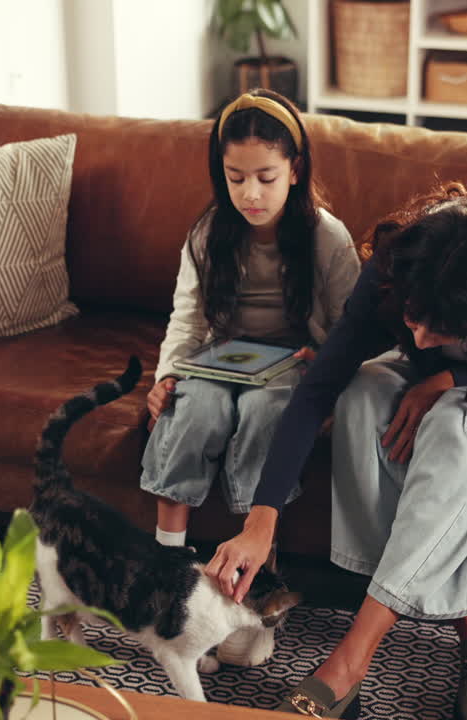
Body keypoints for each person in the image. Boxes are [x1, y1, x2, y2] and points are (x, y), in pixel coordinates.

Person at [206, 183, 467, 718]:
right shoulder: (397, 264)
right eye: (413, 320)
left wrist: (449, 376)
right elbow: (319, 387)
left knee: (453, 423)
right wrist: (261, 518)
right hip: (452, 370)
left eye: (442, 330)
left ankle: (349, 661)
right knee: (363, 392)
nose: (418, 338)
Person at [141, 88, 360, 662]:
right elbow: (186, 316)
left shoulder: (326, 237)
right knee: (196, 406)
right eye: (236, 178)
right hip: (220, 359)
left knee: (269, 412)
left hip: (294, 368)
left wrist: (327, 363)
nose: (251, 193)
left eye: (265, 176)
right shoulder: (209, 232)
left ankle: (250, 586)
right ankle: (169, 569)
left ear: (296, 168)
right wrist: (167, 375)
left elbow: (354, 329)